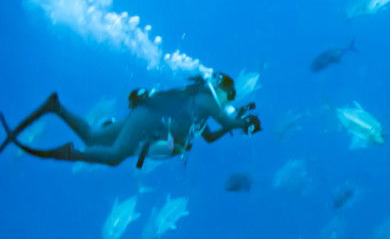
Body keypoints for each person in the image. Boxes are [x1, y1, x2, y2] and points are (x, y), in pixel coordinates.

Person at [0, 74, 260, 168]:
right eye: (229, 95)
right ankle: (71, 153)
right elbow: (226, 121)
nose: (228, 101)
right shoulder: (204, 99)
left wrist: (236, 126)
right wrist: (244, 124)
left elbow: (211, 136)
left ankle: (56, 107)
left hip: (145, 118)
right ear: (220, 88)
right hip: (147, 120)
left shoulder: (200, 115)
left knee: (92, 137)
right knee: (115, 156)